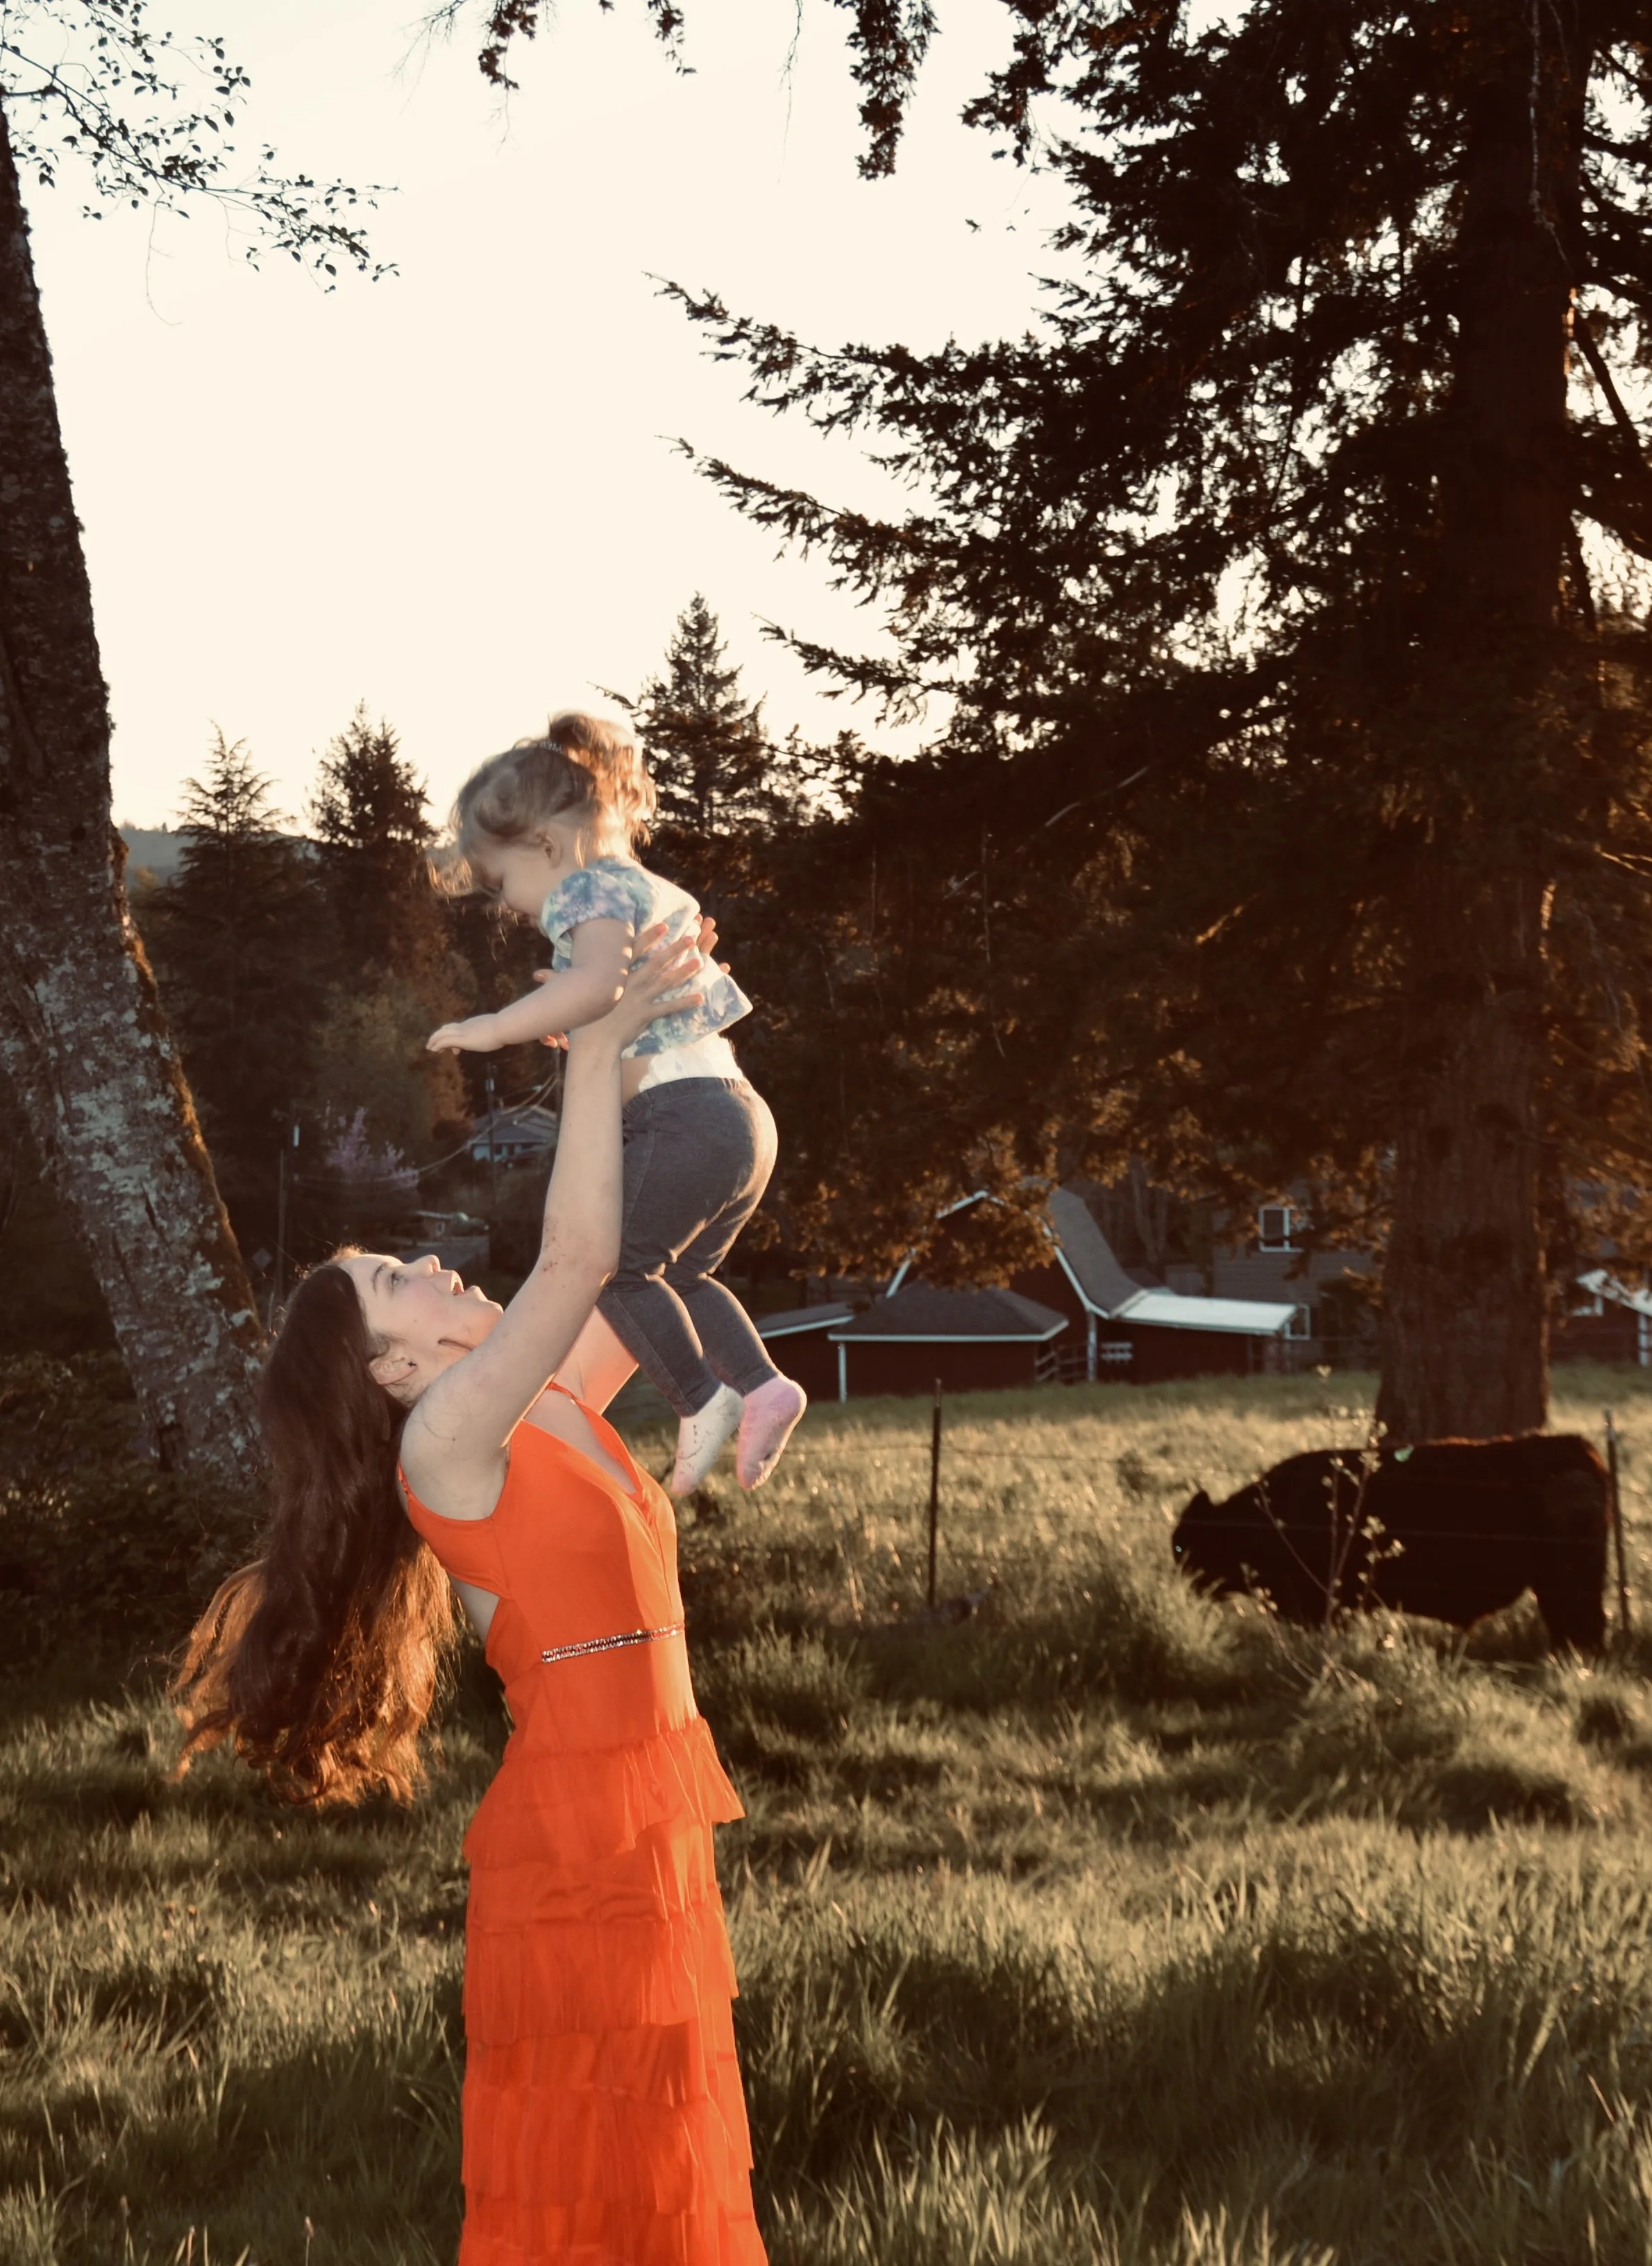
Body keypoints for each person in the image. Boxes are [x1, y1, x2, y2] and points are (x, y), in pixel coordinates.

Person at [175, 923, 768, 2266]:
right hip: (576, 1838)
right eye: (396, 1282)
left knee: (662, 2160)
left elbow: (687, 1223)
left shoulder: (548, 1392)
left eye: (404, 1260)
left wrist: (674, 1042)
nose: (433, 1266)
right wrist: (599, 1049)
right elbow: (571, 1260)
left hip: (645, 1813)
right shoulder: (449, 1442)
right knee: (594, 2173)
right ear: (387, 1372)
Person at [425, 711, 805, 1497]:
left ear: (546, 847)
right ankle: (767, 1386)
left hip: (683, 1118)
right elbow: (620, 1008)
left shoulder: (586, 888)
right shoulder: (643, 885)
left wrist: (493, 1027)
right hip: (738, 1119)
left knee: (615, 1267)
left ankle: (702, 1400)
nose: (508, 906)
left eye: (502, 883)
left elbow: (596, 987)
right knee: (685, 1278)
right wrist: (576, 1022)